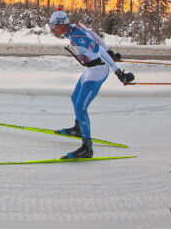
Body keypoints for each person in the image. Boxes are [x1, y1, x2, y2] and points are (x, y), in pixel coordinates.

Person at [48, 10, 134, 159]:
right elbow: (93, 35)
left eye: (53, 26)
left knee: (81, 107)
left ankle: (87, 147)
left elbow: (98, 50)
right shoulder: (74, 28)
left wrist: (118, 72)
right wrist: (110, 51)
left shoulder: (78, 37)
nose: (51, 29)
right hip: (89, 69)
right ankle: (78, 128)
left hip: (97, 71)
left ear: (62, 25)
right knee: (75, 98)